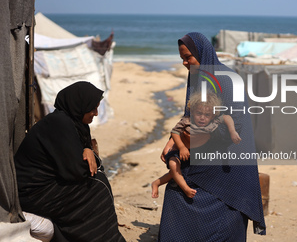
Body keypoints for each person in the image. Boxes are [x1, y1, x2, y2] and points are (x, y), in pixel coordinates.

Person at [158, 33, 266, 242]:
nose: (184, 63)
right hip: (204, 150)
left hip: (227, 159)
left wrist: (198, 138)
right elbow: (190, 115)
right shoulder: (198, 76)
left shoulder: (226, 80)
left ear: (202, 53)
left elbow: (237, 123)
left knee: (186, 188)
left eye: (189, 57)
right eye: (182, 58)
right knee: (176, 182)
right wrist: (172, 140)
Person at [14, 82, 125, 242]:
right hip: (32, 191)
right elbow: (76, 170)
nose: (95, 113)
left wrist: (87, 149)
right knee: (96, 189)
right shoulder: (58, 123)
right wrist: (89, 153)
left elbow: (82, 156)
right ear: (79, 105)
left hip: (48, 184)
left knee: (98, 184)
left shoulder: (75, 123)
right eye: (92, 108)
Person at [151, 91, 241, 199]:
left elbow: (227, 117)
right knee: (174, 166)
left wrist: (232, 132)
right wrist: (181, 147)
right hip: (179, 150)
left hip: (194, 152)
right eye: (199, 113)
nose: (202, 117)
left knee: (174, 174)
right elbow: (174, 132)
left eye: (207, 115)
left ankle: (156, 182)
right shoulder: (187, 121)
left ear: (213, 114)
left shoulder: (213, 121)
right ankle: (185, 189)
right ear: (193, 112)